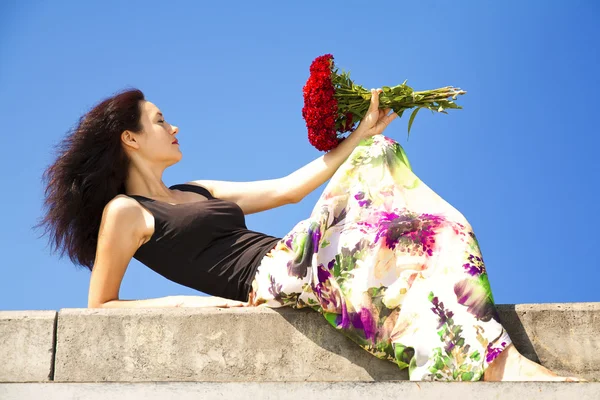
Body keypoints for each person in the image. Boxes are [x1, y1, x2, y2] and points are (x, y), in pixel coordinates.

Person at [35, 87, 585, 382]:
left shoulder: (194, 188)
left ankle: (493, 362)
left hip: (295, 257)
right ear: (130, 138)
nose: (174, 126)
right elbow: (100, 305)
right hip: (273, 277)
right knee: (381, 174)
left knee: (414, 221)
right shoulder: (124, 212)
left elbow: (288, 189)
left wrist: (361, 133)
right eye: (160, 119)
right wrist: (187, 307)